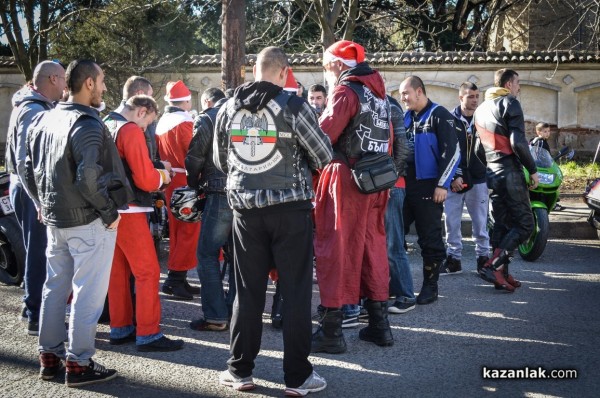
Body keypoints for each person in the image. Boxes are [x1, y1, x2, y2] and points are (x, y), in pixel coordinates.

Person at [213, 46, 332, 395]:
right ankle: (297, 378)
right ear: (284, 72)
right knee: (295, 293)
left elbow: (222, 160)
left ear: (254, 69)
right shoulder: (295, 106)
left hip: (245, 211)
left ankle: (240, 371)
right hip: (290, 209)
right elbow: (324, 155)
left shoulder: (227, 107)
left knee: (247, 293)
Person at [24, 59, 132, 386]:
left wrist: (40, 202)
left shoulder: (43, 118)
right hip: (88, 220)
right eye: (101, 82)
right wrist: (109, 213)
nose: (103, 88)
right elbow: (88, 176)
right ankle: (79, 363)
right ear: (87, 84)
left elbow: (26, 166)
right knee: (87, 293)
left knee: (54, 288)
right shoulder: (87, 124)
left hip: (56, 219)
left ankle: (50, 356)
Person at [312, 40, 394, 353]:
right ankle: (379, 326)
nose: (324, 70)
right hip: (376, 180)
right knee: (373, 249)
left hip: (346, 179)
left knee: (335, 249)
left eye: (326, 63)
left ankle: (331, 333)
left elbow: (322, 138)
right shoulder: (379, 93)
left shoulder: (346, 92)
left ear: (339, 64)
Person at [103, 95, 184, 351]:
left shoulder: (106, 123)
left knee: (117, 273)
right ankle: (148, 333)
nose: (146, 128)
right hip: (131, 209)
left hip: (108, 209)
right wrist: (163, 175)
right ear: (142, 111)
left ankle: (120, 327)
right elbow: (146, 180)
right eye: (148, 122)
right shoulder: (129, 130)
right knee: (147, 272)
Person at [5, 60, 66, 336]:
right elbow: (23, 161)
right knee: (40, 251)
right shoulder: (33, 109)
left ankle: (31, 308)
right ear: (53, 79)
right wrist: (39, 199)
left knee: (36, 249)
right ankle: (36, 315)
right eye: (63, 79)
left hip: (27, 187)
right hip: (31, 189)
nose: (66, 85)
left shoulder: (31, 105)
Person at [474, 68, 539, 291]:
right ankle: (493, 266)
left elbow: (476, 150)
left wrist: (493, 166)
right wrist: (532, 170)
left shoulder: (480, 109)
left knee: (502, 225)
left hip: (492, 173)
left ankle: (501, 275)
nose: (519, 88)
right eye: (518, 83)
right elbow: (518, 142)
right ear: (509, 84)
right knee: (525, 225)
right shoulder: (510, 102)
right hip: (510, 171)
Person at [399, 76, 461, 305]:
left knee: (430, 239)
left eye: (406, 93)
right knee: (395, 234)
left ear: (419, 91)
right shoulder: (405, 118)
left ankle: (430, 286)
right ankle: (394, 284)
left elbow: (452, 152)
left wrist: (442, 184)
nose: (403, 98)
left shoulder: (439, 115)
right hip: (405, 185)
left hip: (430, 186)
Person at [185, 87, 235, 332]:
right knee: (240, 257)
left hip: (218, 192)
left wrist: (193, 185)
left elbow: (194, 158)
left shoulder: (207, 118)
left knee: (207, 254)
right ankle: (238, 311)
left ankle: (216, 315)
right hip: (246, 194)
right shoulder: (245, 115)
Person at [155, 80, 201, 300]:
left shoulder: (162, 122)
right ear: (187, 100)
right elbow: (193, 152)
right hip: (185, 180)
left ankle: (178, 278)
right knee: (188, 232)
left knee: (176, 232)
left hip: (170, 180)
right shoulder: (185, 123)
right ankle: (175, 280)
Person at [441, 82, 490, 275]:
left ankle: (483, 259)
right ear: (460, 97)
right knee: (452, 222)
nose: (475, 100)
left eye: (477, 96)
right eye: (470, 96)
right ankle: (453, 259)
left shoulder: (484, 119)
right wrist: (453, 176)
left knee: (480, 222)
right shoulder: (448, 120)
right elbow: (444, 150)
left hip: (479, 179)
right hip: (454, 180)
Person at [385, 95, 414, 314]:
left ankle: (406, 295)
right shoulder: (381, 105)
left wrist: (390, 178)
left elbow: (403, 148)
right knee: (388, 243)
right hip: (388, 184)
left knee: (394, 244)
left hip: (392, 185)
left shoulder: (389, 106)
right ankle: (395, 290)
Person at [114, 76, 160, 162]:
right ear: (140, 94)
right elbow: (140, 169)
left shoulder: (110, 118)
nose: (153, 100)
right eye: (151, 96)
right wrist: (161, 171)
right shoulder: (131, 126)